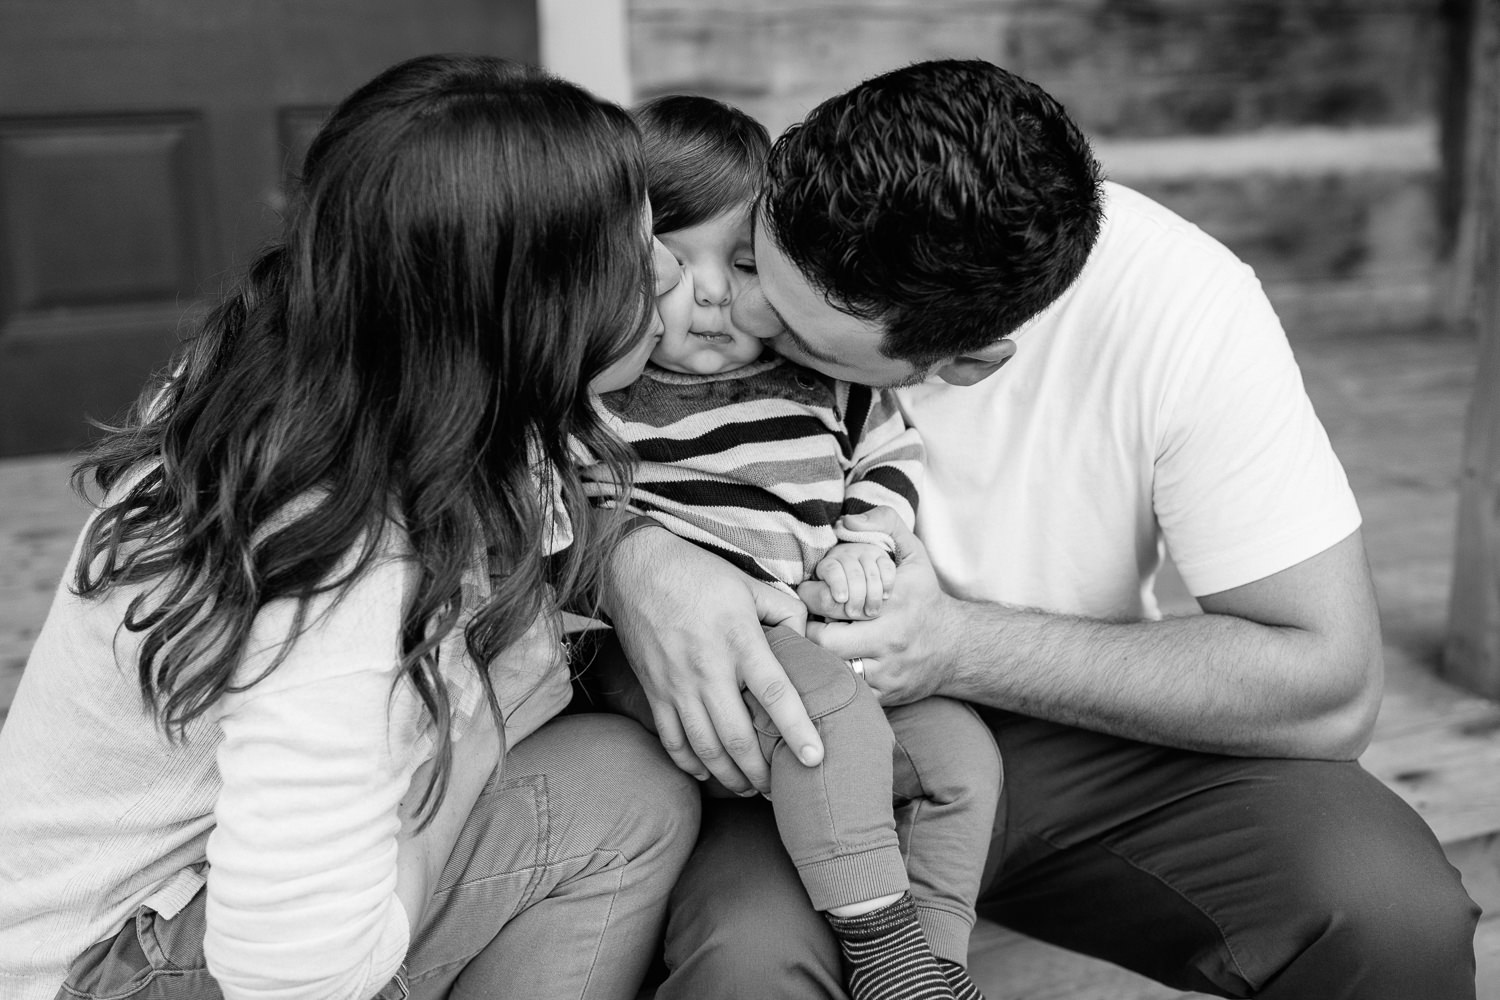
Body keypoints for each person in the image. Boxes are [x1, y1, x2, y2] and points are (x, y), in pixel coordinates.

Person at [597, 60, 1481, 999]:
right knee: (749, 965)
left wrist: (957, 647)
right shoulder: (773, 207)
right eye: (751, 262)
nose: (740, 313)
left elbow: (1330, 686)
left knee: (1388, 914)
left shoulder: (1181, 305)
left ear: (965, 364)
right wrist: (631, 558)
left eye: (805, 343)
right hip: (795, 730)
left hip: (1070, 722)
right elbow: (498, 439)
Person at [0, 53, 701, 1000]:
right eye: (635, 248)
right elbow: (297, 975)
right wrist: (478, 747)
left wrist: (647, 564)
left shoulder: (348, 365)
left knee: (621, 778)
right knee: (626, 803)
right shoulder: (330, 544)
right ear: (529, 306)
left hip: (145, 899)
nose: (666, 273)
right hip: (105, 969)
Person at [579, 94, 999, 1000]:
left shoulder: (824, 384)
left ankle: (930, 970)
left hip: (809, 655)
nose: (711, 292)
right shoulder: (602, 389)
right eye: (670, 263)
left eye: (740, 264)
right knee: (834, 722)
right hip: (667, 668)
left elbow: (887, 465)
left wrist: (868, 543)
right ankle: (885, 956)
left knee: (960, 755)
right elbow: (551, 515)